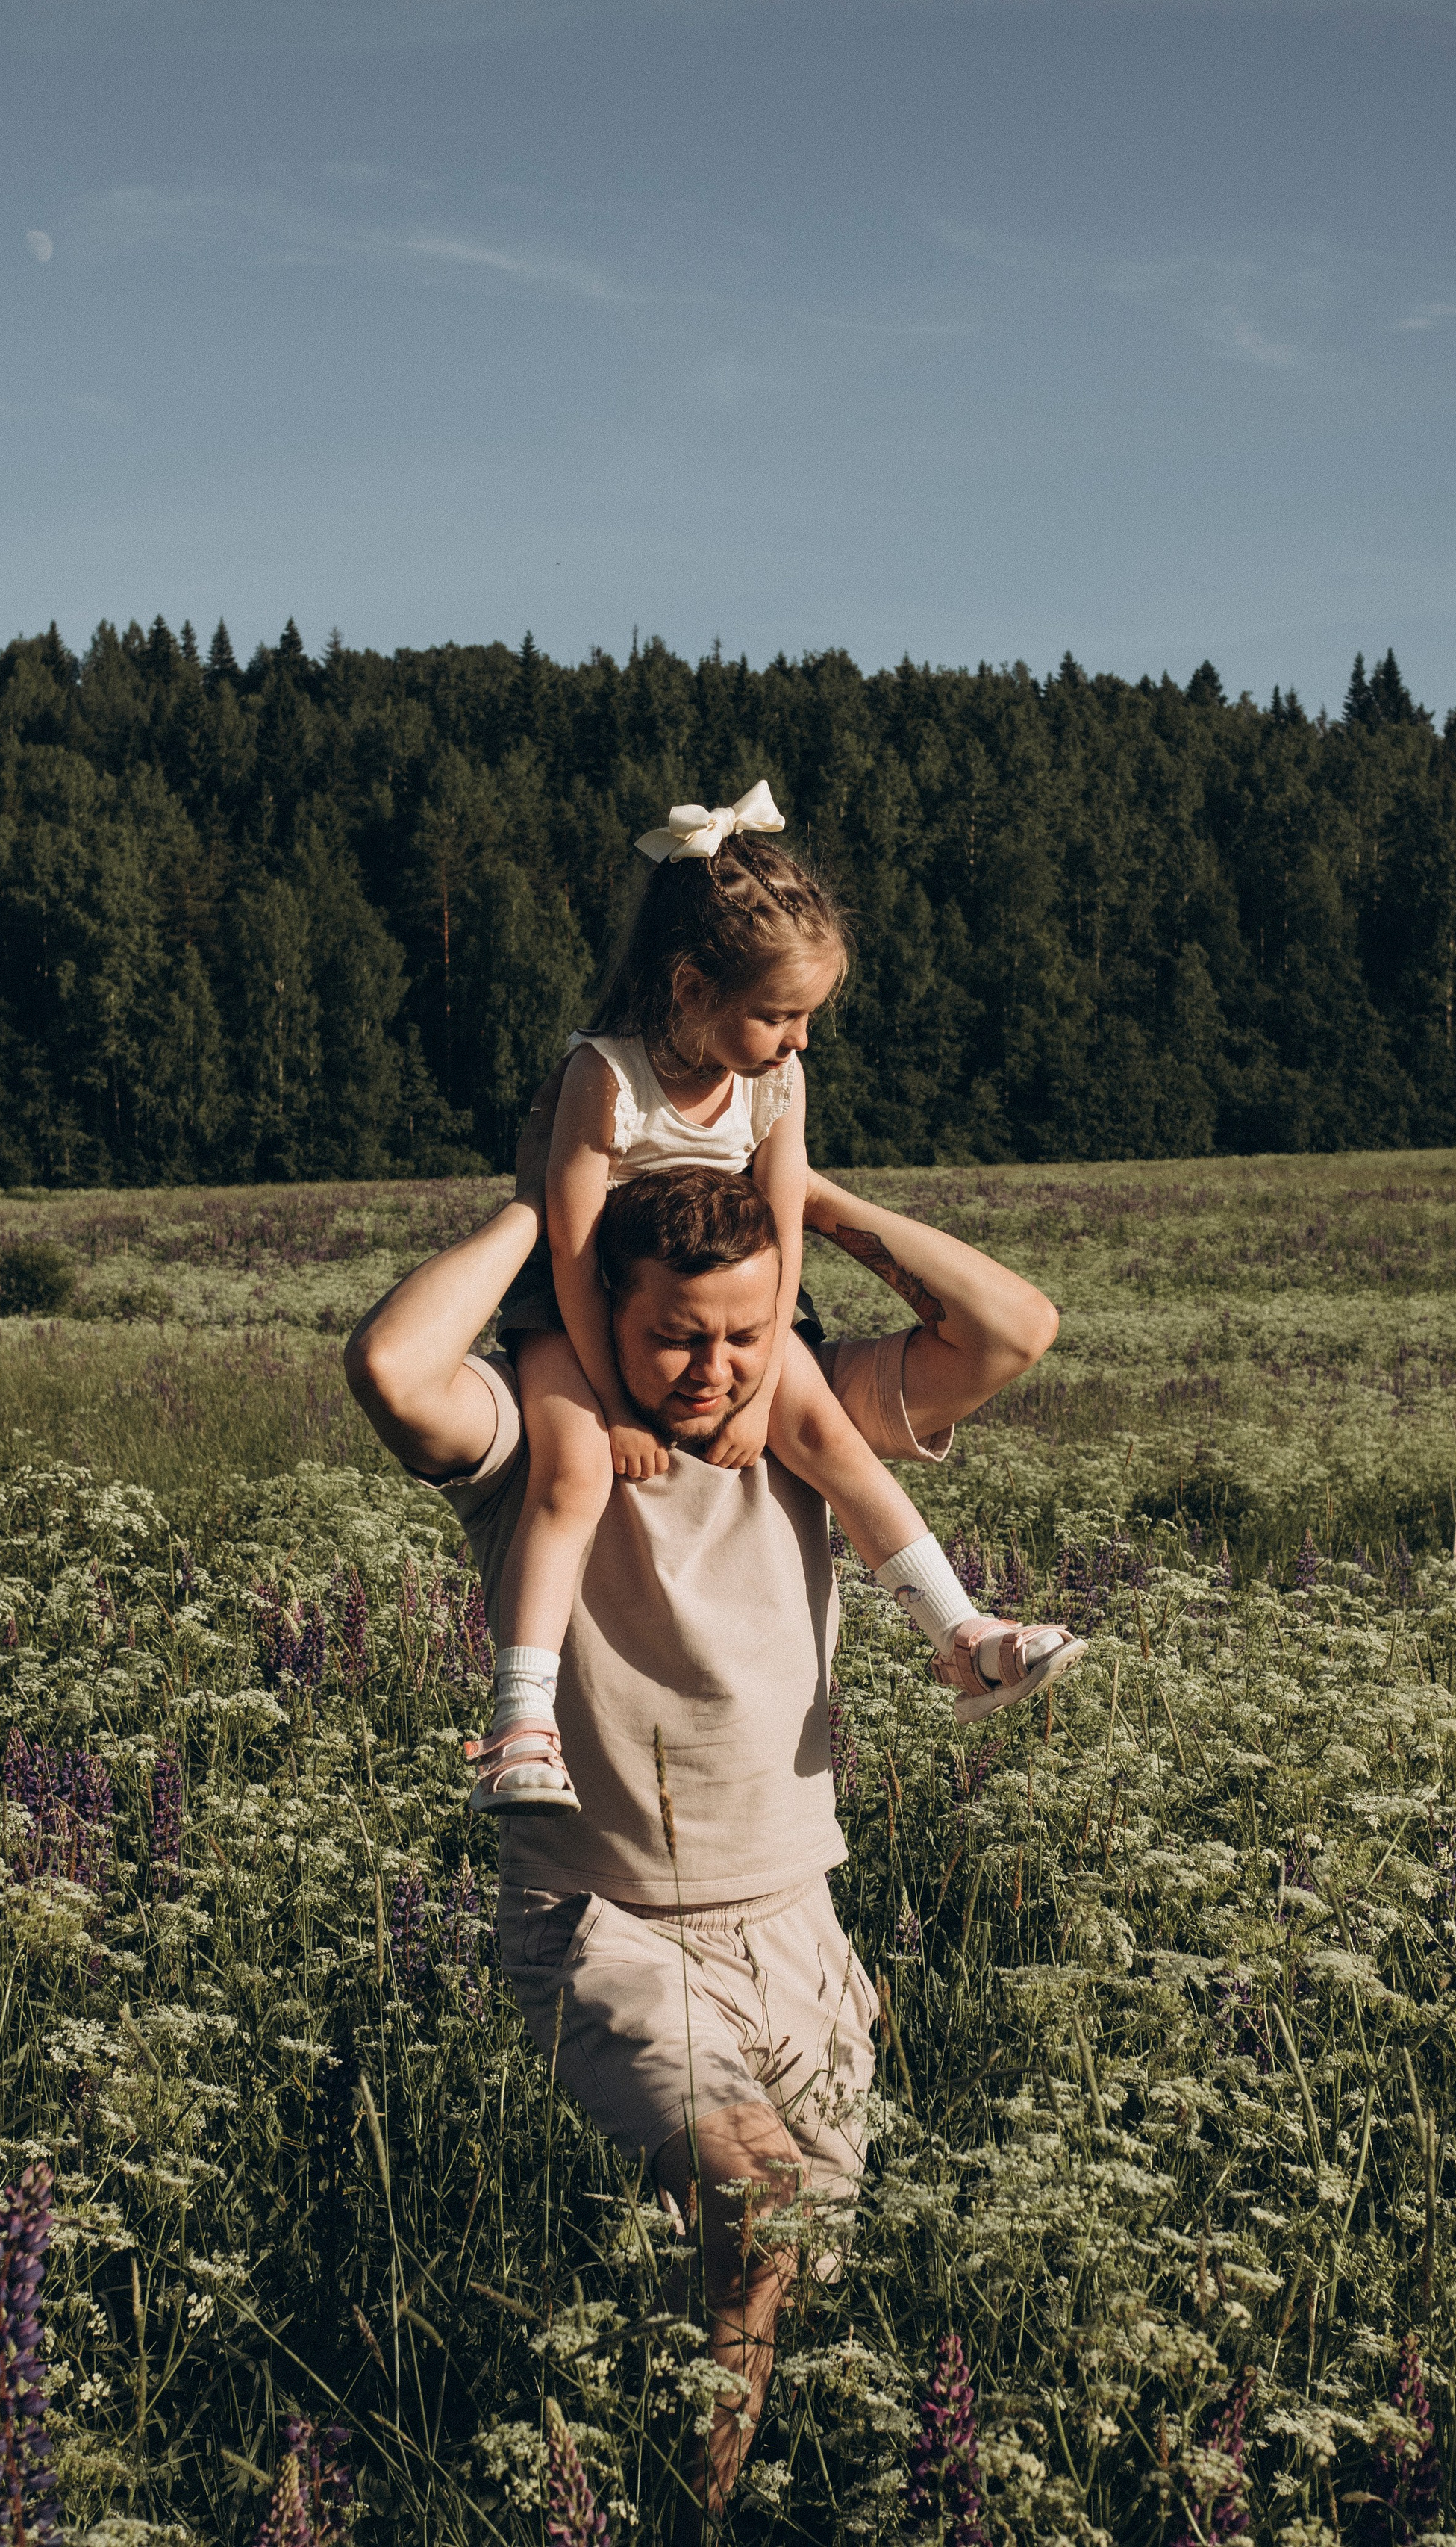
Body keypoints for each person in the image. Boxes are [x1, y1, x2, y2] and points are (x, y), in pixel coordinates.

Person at [343, 1105, 1066, 2527]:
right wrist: (542, 1226)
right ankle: (692, 2518)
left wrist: (800, 1209)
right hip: (603, 1926)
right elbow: (389, 1366)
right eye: (677, 1335)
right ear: (605, 1305)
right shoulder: (539, 1428)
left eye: (746, 1332)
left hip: (795, 1914)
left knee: (774, 2271)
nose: (714, 1367)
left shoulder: (793, 1404)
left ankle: (694, 2489)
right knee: (757, 2205)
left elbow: (1011, 1326)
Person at [469, 780, 1084, 1818]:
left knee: (831, 1440)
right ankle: (521, 1718)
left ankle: (961, 1632)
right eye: (779, 1015)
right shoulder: (604, 1076)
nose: (800, 1039)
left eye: (808, 1015)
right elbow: (571, 1245)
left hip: (732, 1307)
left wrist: (766, 1378)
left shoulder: (775, 1084)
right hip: (579, 1309)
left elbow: (785, 1226)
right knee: (571, 1472)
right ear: (691, 988)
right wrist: (614, 1400)